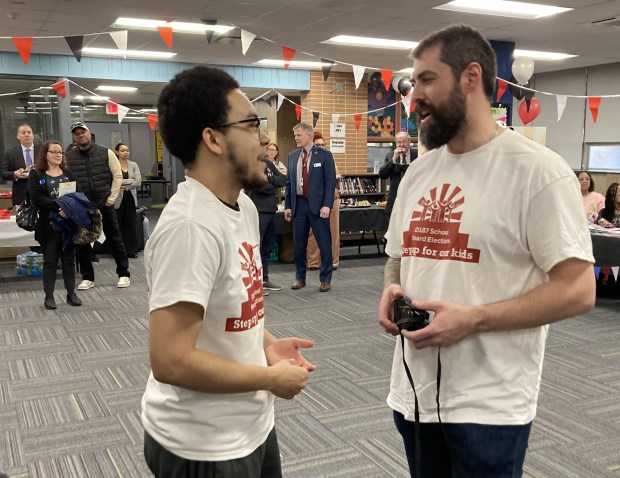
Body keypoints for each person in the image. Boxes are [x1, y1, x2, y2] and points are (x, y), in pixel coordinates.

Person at [378, 24, 595, 477]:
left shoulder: (539, 173)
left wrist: (475, 318)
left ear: (469, 77)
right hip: (413, 394)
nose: (413, 94)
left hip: (489, 406)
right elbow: (397, 254)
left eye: (426, 80)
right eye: (412, 82)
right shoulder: (419, 172)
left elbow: (578, 290)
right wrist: (391, 288)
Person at [141, 65, 316, 478]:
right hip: (203, 446)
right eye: (252, 124)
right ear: (213, 139)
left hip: (251, 425)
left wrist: (267, 344)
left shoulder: (244, 207)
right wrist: (268, 377)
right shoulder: (190, 228)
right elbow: (170, 361)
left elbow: (236, 306)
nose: (264, 139)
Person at [65, 122, 131, 289]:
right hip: (83, 205)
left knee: (115, 238)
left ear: (89, 133)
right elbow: (67, 181)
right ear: (74, 136)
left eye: (83, 132)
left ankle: (123, 274)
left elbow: (117, 176)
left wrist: (111, 198)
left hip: (104, 202)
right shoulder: (69, 157)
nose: (81, 135)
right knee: (83, 241)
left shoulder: (106, 152)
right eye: (77, 133)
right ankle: (88, 277)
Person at [27, 141, 81, 310]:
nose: (58, 155)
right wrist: (60, 207)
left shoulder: (69, 174)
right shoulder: (37, 174)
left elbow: (78, 195)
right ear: (45, 154)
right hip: (47, 225)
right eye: (54, 152)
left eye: (60, 152)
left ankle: (71, 293)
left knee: (69, 261)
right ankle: (49, 296)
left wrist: (69, 209)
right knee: (50, 261)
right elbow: (36, 197)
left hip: (67, 225)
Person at [284, 123, 337, 292]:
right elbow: (289, 183)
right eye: (295, 135)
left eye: (298, 135)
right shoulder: (292, 156)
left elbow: (330, 183)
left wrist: (327, 205)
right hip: (298, 205)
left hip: (319, 206)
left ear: (308, 135)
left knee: (324, 244)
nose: (296, 138)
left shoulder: (324, 155)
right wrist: (288, 206)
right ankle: (300, 277)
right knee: (299, 245)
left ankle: (325, 279)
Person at [245, 142, 287, 293]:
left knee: (268, 247)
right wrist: (271, 184)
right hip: (257, 211)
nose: (265, 150)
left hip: (270, 211)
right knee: (257, 247)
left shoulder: (268, 163)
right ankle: (255, 282)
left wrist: (269, 180)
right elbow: (259, 187)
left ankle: (265, 278)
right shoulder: (249, 165)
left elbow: (283, 179)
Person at [307, 131, 340, 270]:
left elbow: (334, 178)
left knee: (333, 231)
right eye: (318, 144)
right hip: (314, 199)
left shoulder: (329, 158)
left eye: (323, 144)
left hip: (332, 198)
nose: (321, 147)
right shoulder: (307, 160)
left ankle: (333, 261)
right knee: (313, 232)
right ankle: (314, 262)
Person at [378, 131, 418, 216]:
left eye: (404, 141)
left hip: (413, 198)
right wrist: (393, 159)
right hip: (395, 200)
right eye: (399, 142)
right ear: (396, 144)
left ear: (409, 142)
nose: (401, 144)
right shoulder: (390, 155)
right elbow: (382, 175)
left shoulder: (417, 154)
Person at [1, 123, 41, 208]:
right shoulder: (11, 153)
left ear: (33, 135)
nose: (26, 135)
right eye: (23, 133)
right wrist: (15, 174)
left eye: (29, 132)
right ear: (18, 136)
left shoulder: (42, 150)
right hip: (20, 195)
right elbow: (4, 173)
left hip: (41, 192)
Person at [114, 143, 142, 258]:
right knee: (118, 225)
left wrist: (124, 184)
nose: (125, 152)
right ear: (117, 152)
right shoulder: (113, 164)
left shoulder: (133, 165)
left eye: (127, 150)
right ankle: (119, 251)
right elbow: (114, 182)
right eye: (122, 150)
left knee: (130, 225)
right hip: (117, 200)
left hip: (130, 198)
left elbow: (138, 182)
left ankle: (131, 250)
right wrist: (129, 181)